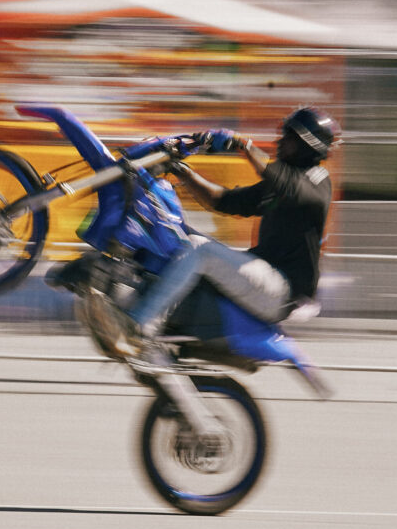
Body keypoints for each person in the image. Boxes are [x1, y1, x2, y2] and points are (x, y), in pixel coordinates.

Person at [116, 106, 340, 353]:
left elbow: (280, 179)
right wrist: (179, 169)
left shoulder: (317, 182)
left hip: (281, 290)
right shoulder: (283, 186)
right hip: (262, 276)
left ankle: (140, 325)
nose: (280, 141)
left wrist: (241, 144)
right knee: (179, 235)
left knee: (202, 251)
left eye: (289, 137)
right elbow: (220, 199)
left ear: (307, 146)